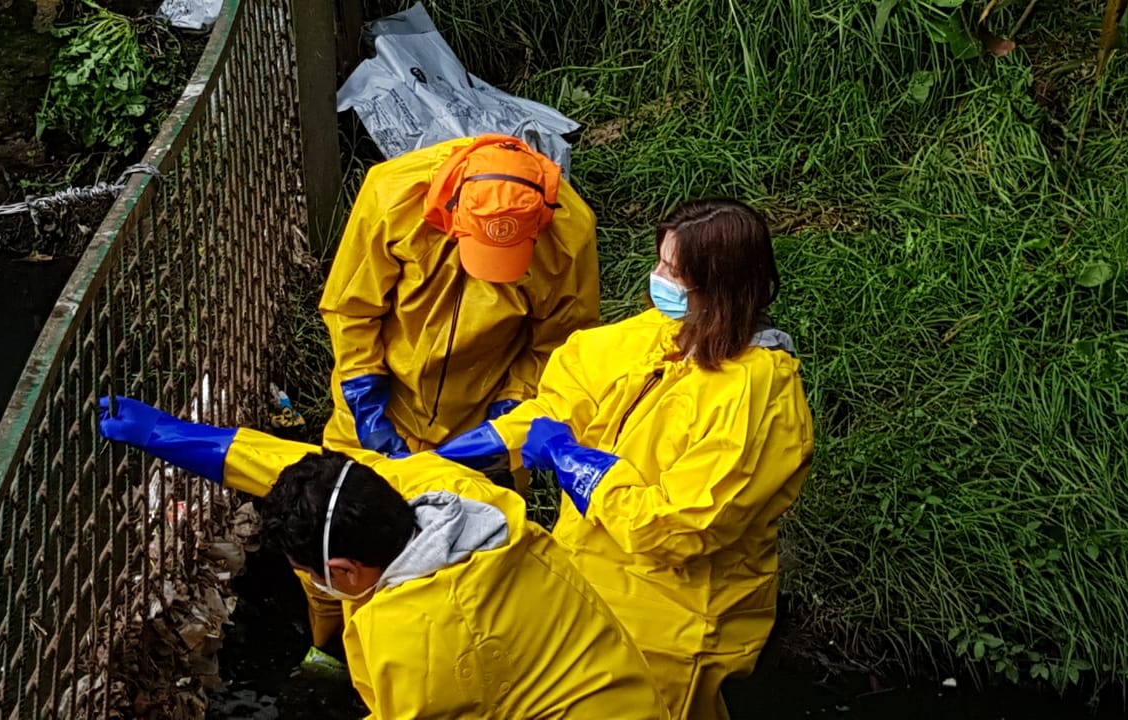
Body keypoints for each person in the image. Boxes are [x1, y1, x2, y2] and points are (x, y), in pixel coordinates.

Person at [434, 198, 816, 720]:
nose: (657, 278)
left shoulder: (759, 396)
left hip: (674, 619)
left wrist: (572, 463)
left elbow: (685, 525)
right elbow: (570, 399)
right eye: (660, 261)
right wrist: (491, 442)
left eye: (673, 271)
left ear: (718, 286)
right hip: (586, 578)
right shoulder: (663, 332)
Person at [96, 397, 670, 720]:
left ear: (342, 572)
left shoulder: (415, 640)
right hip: (625, 691)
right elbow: (309, 470)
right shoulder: (442, 488)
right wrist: (176, 437)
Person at [312, 133, 601, 657]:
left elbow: (559, 344)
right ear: (451, 213)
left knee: (469, 556)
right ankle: (330, 645)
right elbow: (352, 308)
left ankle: (451, 664)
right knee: (334, 538)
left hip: (478, 413)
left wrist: (509, 411)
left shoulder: (571, 232)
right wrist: (365, 396)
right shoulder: (392, 195)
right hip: (381, 400)